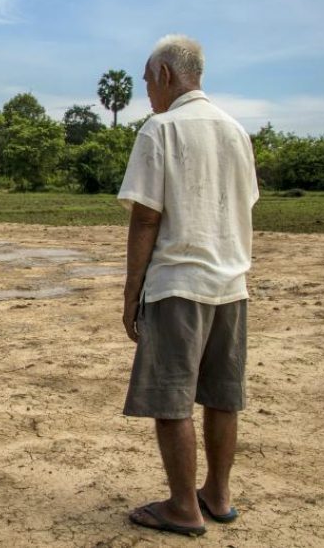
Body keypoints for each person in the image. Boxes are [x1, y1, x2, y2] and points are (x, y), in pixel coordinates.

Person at [117, 35, 259, 537]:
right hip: (232, 284)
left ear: (165, 75)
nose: (146, 91)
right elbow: (245, 205)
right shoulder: (235, 130)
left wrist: (132, 290)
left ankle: (182, 505)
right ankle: (217, 495)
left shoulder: (160, 129)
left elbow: (145, 219)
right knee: (223, 395)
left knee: (171, 399)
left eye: (146, 79)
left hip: (179, 283)